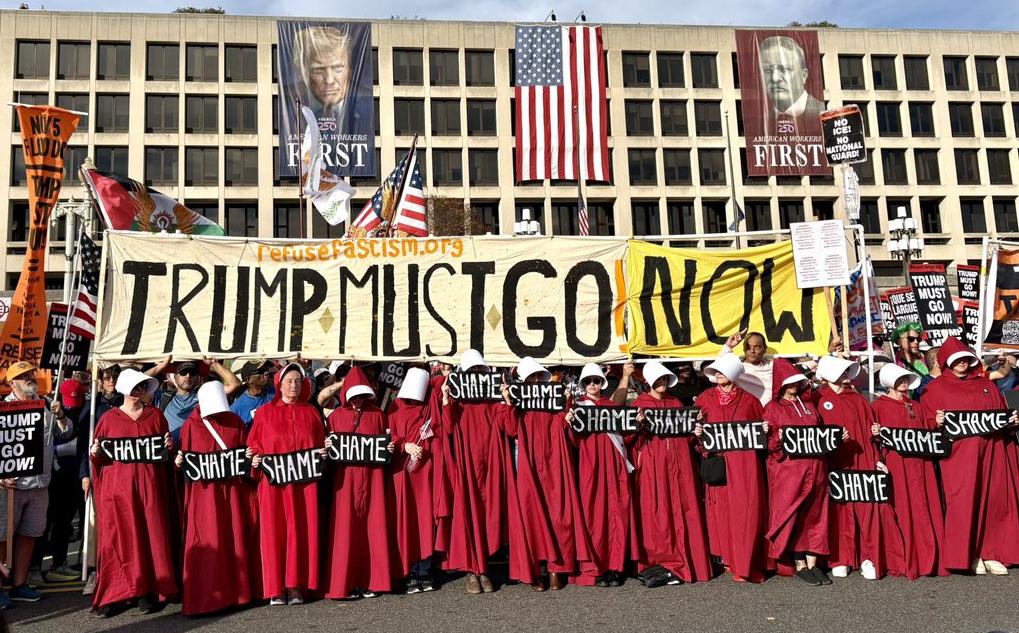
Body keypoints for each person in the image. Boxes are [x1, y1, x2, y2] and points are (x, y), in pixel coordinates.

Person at [921, 336, 1019, 575]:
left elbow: (999, 415)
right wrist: (936, 420)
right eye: (957, 360)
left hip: (992, 452)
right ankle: (969, 555)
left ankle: (993, 552)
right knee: (963, 503)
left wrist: (1011, 422)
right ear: (946, 362)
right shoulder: (935, 388)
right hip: (959, 457)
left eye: (965, 358)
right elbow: (925, 422)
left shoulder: (985, 384)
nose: (963, 363)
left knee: (995, 501)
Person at [89, 369, 178, 616]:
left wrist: (169, 447)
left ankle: (148, 590)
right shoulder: (108, 419)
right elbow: (98, 458)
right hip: (118, 492)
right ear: (126, 389)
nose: (141, 392)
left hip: (150, 489)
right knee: (119, 540)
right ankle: (117, 593)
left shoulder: (155, 416)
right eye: (136, 387)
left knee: (151, 536)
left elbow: (165, 453)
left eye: (143, 387)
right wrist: (95, 452)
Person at [501, 357, 588, 591]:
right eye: (532, 377)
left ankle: (555, 568)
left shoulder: (557, 403)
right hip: (528, 464)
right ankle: (535, 570)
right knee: (531, 516)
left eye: (540, 376)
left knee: (558, 514)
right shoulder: (518, 407)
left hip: (554, 463)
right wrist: (509, 402)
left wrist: (569, 412)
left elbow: (565, 429)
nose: (538, 380)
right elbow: (510, 430)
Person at [175, 382, 261, 616]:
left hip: (232, 492)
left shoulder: (234, 422)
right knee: (207, 540)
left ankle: (238, 593)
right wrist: (179, 460)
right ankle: (206, 597)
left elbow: (244, 450)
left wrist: (249, 457)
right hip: (204, 496)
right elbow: (183, 460)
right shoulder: (189, 427)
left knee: (233, 537)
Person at [816, 356, 904, 580]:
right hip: (835, 463)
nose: (845, 376)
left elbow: (869, 432)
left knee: (866, 510)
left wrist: (875, 456)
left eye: (847, 371)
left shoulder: (858, 399)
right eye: (841, 371)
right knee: (839, 510)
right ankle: (841, 558)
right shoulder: (817, 399)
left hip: (861, 460)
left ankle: (868, 557)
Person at [247, 363, 324, 605]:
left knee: (301, 532)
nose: (294, 385)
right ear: (279, 384)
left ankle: (296, 585)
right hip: (273, 487)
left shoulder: (311, 413)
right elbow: (254, 446)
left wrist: (323, 454)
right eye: (290, 381)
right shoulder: (264, 414)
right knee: (274, 533)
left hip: (304, 487)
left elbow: (321, 445)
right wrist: (255, 458)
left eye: (298, 381)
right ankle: (275, 587)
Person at [440, 349, 514, 594]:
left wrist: (506, 399)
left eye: (480, 370)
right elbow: (448, 427)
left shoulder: (493, 402)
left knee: (487, 515)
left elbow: (510, 428)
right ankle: (474, 571)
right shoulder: (458, 403)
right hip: (468, 465)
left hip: (491, 466)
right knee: (469, 514)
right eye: (472, 371)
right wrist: (446, 400)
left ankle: (484, 568)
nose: (476, 374)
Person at [632, 360, 713, 584]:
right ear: (648, 381)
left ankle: (690, 560)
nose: (662, 383)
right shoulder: (639, 404)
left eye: (665, 378)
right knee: (657, 512)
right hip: (654, 465)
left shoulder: (675, 402)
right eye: (658, 379)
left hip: (680, 463)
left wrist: (695, 430)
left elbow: (683, 435)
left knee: (685, 507)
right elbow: (630, 439)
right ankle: (660, 560)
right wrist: (636, 425)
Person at [0, 362, 73, 608]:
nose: (30, 378)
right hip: (11, 486)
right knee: (2, 538)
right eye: (23, 376)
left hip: (40, 485)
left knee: (30, 535)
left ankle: (19, 584)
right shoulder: (3, 408)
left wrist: (61, 414)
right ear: (12, 383)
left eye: (31, 374)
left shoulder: (46, 402)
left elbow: (66, 433)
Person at [764, 358, 843, 586]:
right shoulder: (773, 408)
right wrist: (776, 439)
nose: (793, 387)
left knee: (816, 516)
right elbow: (768, 446)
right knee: (793, 516)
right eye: (788, 383)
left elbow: (821, 437)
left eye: (796, 382)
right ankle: (798, 563)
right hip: (789, 473)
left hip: (816, 469)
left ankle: (813, 563)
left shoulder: (809, 407)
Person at [323, 366, 396, 599]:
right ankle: (345, 582)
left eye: (362, 396)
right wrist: (326, 448)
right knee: (345, 532)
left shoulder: (377, 414)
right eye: (354, 396)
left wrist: (389, 448)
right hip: (344, 483)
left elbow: (386, 443)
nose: (358, 400)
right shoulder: (334, 417)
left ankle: (372, 580)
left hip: (372, 480)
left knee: (373, 529)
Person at [870, 364, 947, 579]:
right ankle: (907, 559)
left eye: (905, 378)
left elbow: (925, 430)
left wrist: (936, 423)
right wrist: (877, 447)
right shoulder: (878, 406)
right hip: (898, 464)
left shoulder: (916, 405)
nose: (904, 382)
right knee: (903, 509)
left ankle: (929, 558)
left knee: (925, 507)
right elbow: (874, 439)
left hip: (921, 464)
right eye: (900, 379)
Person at [695, 355, 768, 583]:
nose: (718, 373)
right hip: (717, 463)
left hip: (744, 465)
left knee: (745, 512)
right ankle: (726, 557)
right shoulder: (705, 398)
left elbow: (761, 434)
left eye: (722, 370)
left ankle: (745, 560)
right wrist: (697, 433)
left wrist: (765, 429)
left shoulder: (750, 401)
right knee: (721, 512)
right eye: (715, 370)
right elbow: (698, 432)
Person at [566, 363, 637, 587]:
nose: (593, 385)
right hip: (591, 465)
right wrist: (568, 423)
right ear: (583, 384)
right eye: (588, 381)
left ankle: (616, 567)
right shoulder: (577, 407)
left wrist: (638, 424)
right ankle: (596, 568)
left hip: (614, 463)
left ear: (602, 382)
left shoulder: (610, 405)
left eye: (596, 380)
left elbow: (625, 432)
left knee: (618, 513)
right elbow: (572, 442)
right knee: (594, 516)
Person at [387, 367, 438, 593]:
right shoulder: (395, 407)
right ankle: (408, 571)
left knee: (424, 519)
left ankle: (424, 568)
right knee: (405, 520)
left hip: (424, 469)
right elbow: (389, 433)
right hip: (402, 472)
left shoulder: (429, 406)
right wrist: (403, 445)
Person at [79, 365, 124, 595]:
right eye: (107, 377)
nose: (111, 381)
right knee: (96, 524)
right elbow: (82, 443)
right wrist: (84, 473)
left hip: (122, 472)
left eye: (115, 377)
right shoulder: (93, 405)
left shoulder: (128, 400)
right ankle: (96, 570)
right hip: (99, 471)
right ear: (100, 381)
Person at [147, 357, 242, 444]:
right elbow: (133, 386)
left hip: (197, 456)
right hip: (171, 457)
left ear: (198, 377)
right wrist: (160, 367)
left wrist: (214, 364)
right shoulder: (162, 397)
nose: (188, 376)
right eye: (183, 373)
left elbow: (235, 384)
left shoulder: (206, 394)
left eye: (192, 373)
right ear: (175, 376)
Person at [291, 25, 365, 130]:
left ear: (350, 70)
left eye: (338, 68)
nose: (329, 80)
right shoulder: (287, 102)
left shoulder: (367, 102)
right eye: (318, 70)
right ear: (301, 72)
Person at [757, 35, 825, 133]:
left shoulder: (824, 113)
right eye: (768, 70)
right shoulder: (759, 123)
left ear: (804, 75)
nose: (775, 78)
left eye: (785, 69)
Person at [721, 331, 774, 405]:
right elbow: (720, 368)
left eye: (757, 347)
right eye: (748, 347)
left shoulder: (773, 366)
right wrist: (728, 346)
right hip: (748, 412)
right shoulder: (737, 368)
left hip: (771, 412)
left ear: (764, 349)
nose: (752, 351)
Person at [230, 360, 276, 428]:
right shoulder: (237, 408)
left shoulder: (277, 393)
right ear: (249, 379)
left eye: (266, 370)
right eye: (260, 371)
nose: (266, 373)